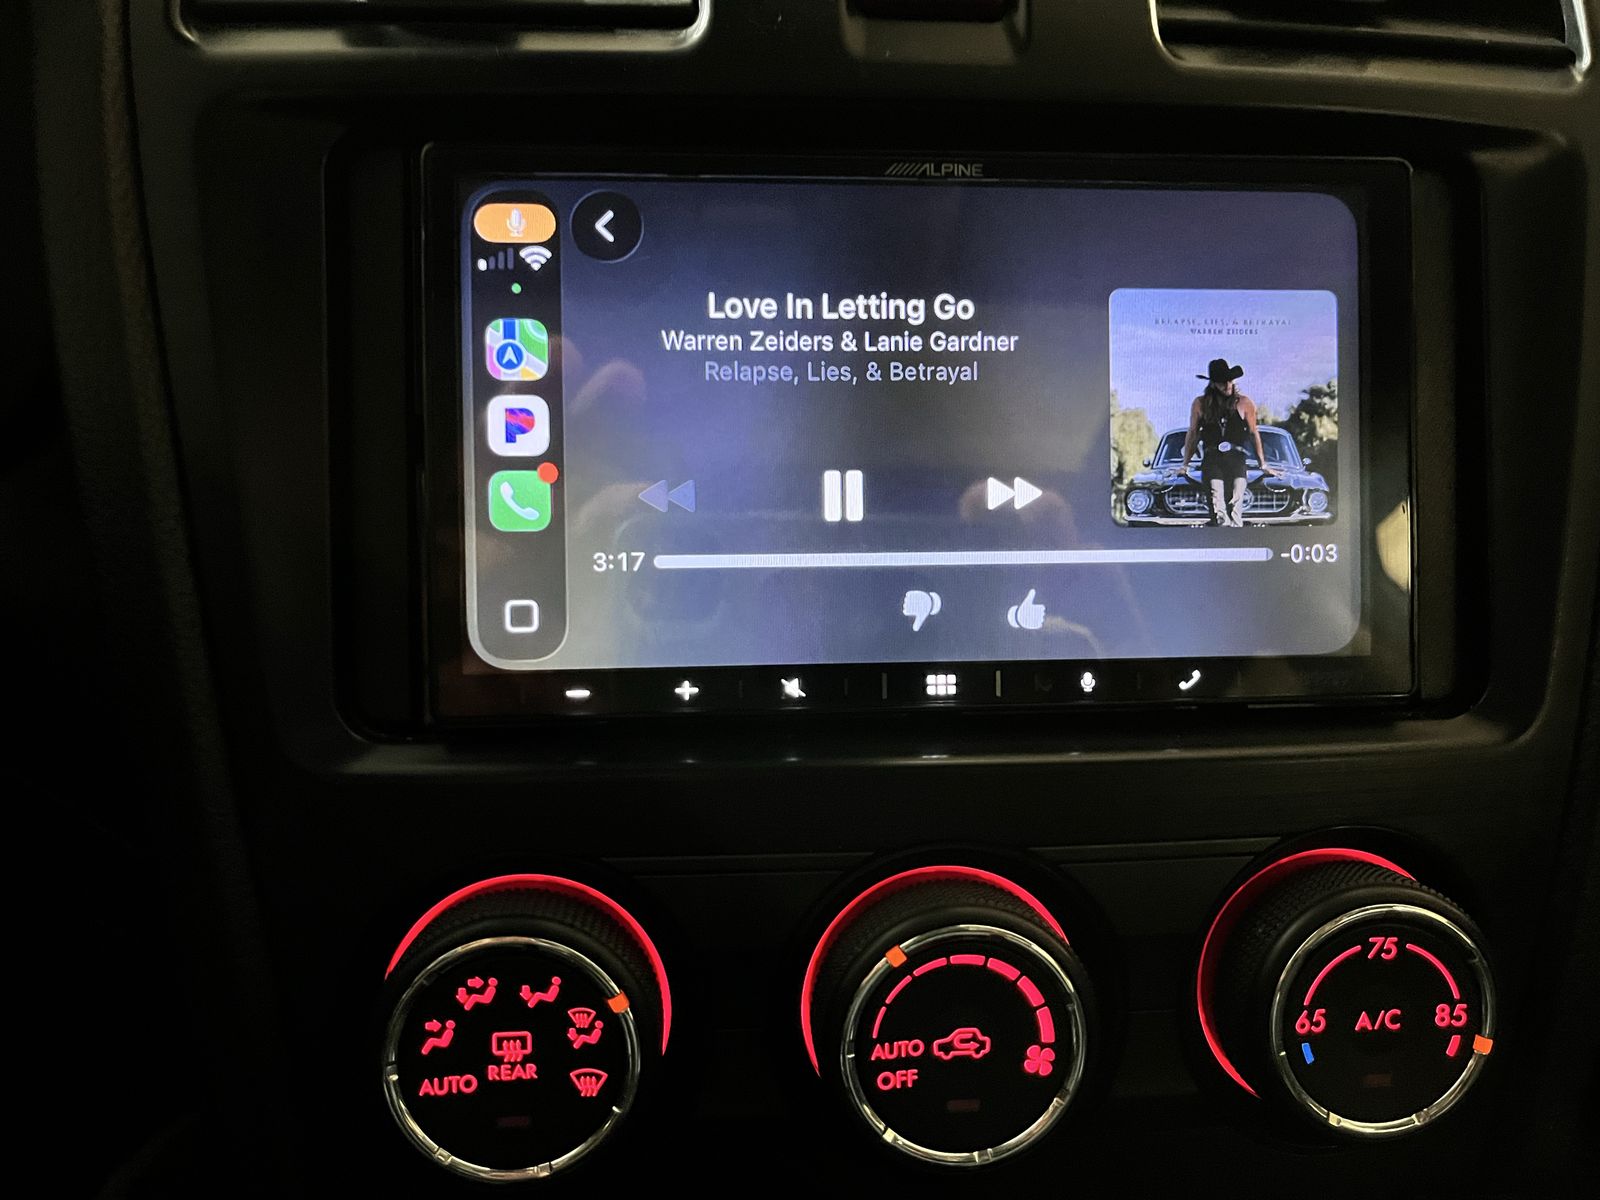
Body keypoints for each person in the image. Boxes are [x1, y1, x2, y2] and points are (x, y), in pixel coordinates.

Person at [1175, 358, 1283, 527]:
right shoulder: (1200, 403)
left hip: (1237, 459)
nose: (1227, 386)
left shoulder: (1245, 403)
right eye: (1221, 382)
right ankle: (1220, 534)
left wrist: (1263, 464)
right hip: (1212, 459)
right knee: (1217, 503)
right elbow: (1193, 433)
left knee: (1235, 504)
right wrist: (1185, 464)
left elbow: (1254, 433)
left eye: (1229, 381)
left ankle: (1235, 536)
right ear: (1213, 384)